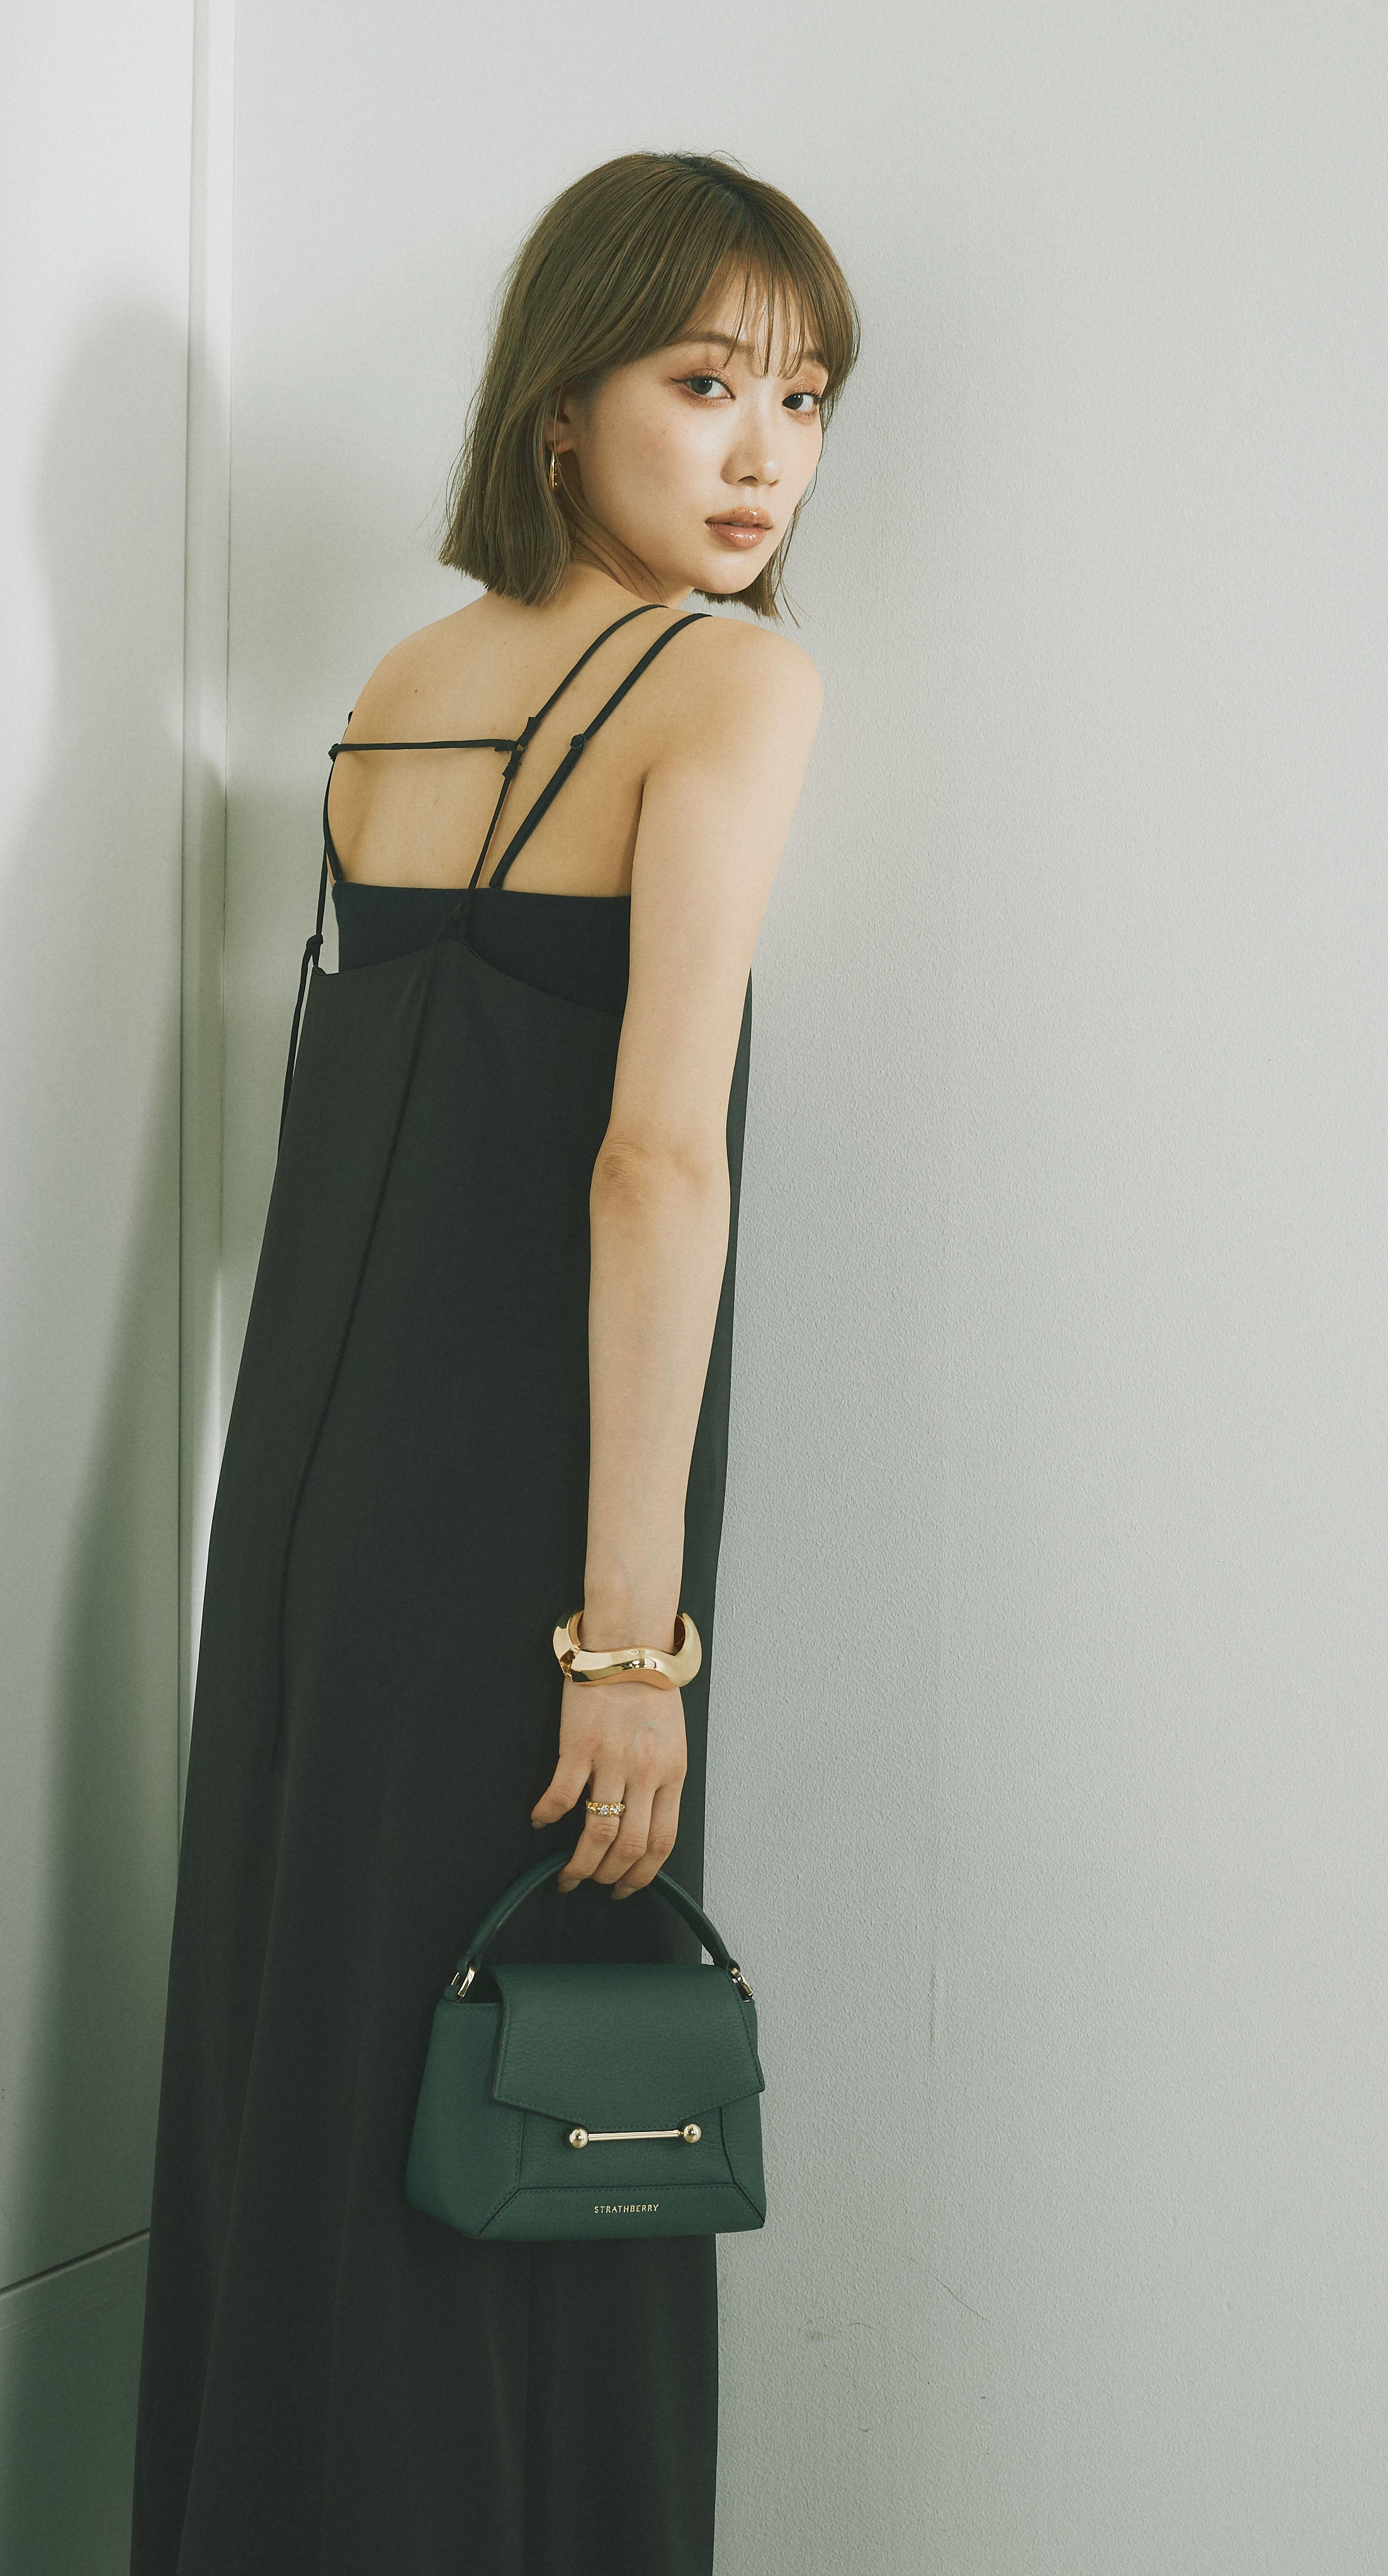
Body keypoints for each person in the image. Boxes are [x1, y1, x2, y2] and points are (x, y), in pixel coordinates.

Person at [130, 150, 859, 2576]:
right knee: (548, 2097)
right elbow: (652, 1160)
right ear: (562, 404)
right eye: (707, 382)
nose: (765, 454)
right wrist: (631, 1638)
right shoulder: (729, 684)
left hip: (310, 1509)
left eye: (806, 399)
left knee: (332, 2064)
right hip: (545, 1526)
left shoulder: (392, 695)